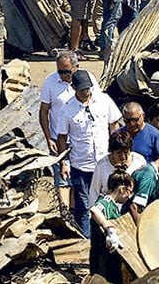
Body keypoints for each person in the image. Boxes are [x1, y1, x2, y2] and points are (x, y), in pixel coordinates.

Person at [56, 70, 121, 238]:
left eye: (88, 89)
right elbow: (62, 137)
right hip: (81, 165)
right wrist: (64, 162)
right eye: (82, 90)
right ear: (74, 88)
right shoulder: (67, 109)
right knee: (83, 204)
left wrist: (116, 153)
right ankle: (86, 239)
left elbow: (113, 126)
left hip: (104, 162)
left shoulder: (104, 101)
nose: (86, 93)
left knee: (107, 199)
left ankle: (108, 232)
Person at [39, 51, 100, 204]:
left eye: (67, 71)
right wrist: (48, 138)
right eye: (60, 71)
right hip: (59, 140)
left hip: (82, 142)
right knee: (62, 181)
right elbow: (44, 111)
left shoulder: (88, 80)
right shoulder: (50, 82)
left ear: (76, 67)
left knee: (80, 183)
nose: (63, 75)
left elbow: (99, 106)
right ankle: (65, 214)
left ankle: (75, 213)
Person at [89, 169, 133, 284]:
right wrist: (108, 227)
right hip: (101, 254)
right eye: (129, 192)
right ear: (122, 189)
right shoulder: (105, 201)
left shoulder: (114, 206)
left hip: (110, 255)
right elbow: (95, 210)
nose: (129, 196)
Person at [88, 129, 146, 206]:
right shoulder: (102, 165)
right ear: (112, 151)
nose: (122, 156)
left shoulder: (139, 162)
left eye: (126, 152)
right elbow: (94, 192)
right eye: (118, 153)